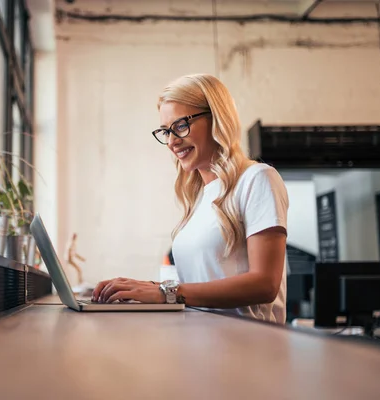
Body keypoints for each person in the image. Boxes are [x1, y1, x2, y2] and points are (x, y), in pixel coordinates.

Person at [91, 73, 289, 324]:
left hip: (247, 349)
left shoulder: (257, 178)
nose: (172, 141)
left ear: (216, 119)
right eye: (165, 131)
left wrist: (166, 292)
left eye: (181, 126)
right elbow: (200, 284)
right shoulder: (198, 199)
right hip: (200, 345)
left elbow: (264, 284)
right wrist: (143, 288)